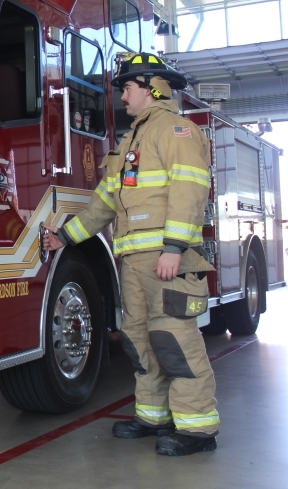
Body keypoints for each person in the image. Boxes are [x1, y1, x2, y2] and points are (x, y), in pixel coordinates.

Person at [42, 53, 218, 457]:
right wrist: (67, 237)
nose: (122, 96)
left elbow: (190, 191)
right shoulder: (131, 141)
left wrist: (174, 248)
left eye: (128, 88)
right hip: (135, 265)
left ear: (152, 88)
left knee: (174, 341)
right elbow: (105, 202)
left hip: (164, 260)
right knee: (140, 342)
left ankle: (197, 428)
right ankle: (153, 417)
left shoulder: (176, 131)